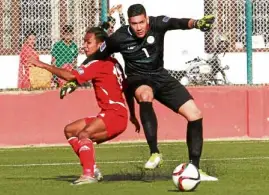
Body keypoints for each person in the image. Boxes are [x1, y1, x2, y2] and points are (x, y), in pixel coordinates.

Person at [82, 4, 217, 181]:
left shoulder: (158, 23)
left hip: (160, 76)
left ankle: (194, 168)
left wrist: (197, 23)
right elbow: (96, 56)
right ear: (129, 23)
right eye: (134, 23)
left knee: (195, 114)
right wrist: (76, 75)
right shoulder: (119, 37)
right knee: (145, 95)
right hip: (137, 78)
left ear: (147, 19)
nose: (138, 27)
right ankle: (154, 152)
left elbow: (178, 23)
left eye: (141, 22)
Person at [28, 27, 133, 185]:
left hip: (114, 114)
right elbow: (125, 89)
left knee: (84, 135)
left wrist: (42, 65)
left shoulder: (98, 63)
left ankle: (88, 174)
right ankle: (93, 168)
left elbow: (71, 75)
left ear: (101, 45)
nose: (84, 45)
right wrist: (134, 115)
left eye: (88, 42)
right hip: (115, 113)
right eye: (84, 42)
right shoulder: (113, 62)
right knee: (70, 130)